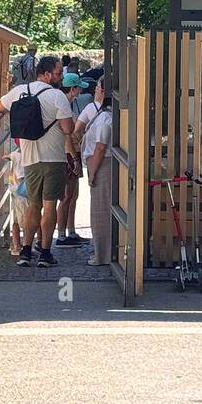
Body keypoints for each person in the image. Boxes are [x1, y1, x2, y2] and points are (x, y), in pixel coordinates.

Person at [0, 55, 76, 267]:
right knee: (50, 207)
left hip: (29, 159)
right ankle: (46, 253)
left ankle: (26, 251)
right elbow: (68, 129)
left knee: (33, 205)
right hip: (54, 159)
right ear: (47, 74)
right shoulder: (57, 96)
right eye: (58, 73)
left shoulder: (20, 91)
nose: (60, 77)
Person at [82, 79, 114, 266]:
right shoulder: (105, 114)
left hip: (101, 163)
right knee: (100, 209)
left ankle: (102, 254)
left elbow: (100, 147)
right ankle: (102, 252)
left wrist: (92, 172)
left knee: (100, 211)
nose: (96, 89)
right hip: (99, 161)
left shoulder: (106, 117)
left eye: (99, 87)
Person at [54, 73, 88, 246]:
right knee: (67, 196)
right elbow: (67, 136)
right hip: (69, 154)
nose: (80, 90)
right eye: (78, 87)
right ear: (73, 89)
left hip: (73, 153)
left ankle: (71, 231)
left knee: (73, 196)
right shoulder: (64, 107)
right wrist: (74, 159)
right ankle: (61, 234)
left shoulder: (67, 104)